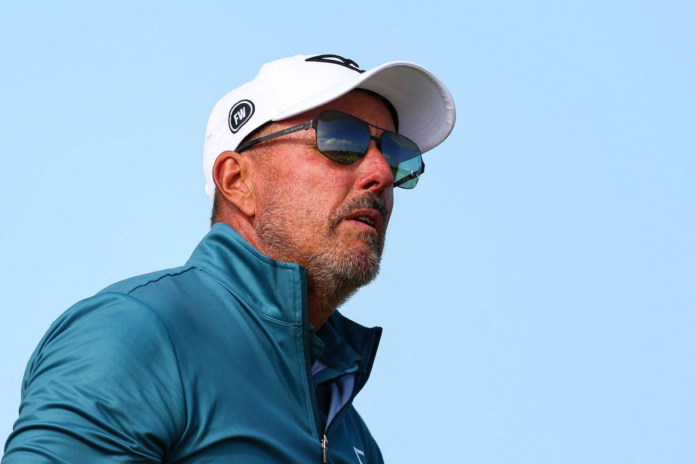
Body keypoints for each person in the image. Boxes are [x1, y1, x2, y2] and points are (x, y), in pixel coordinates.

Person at [2, 53, 455, 463]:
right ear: (237, 181)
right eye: (342, 140)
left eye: (395, 155)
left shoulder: (353, 436)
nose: (381, 174)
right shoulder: (138, 333)